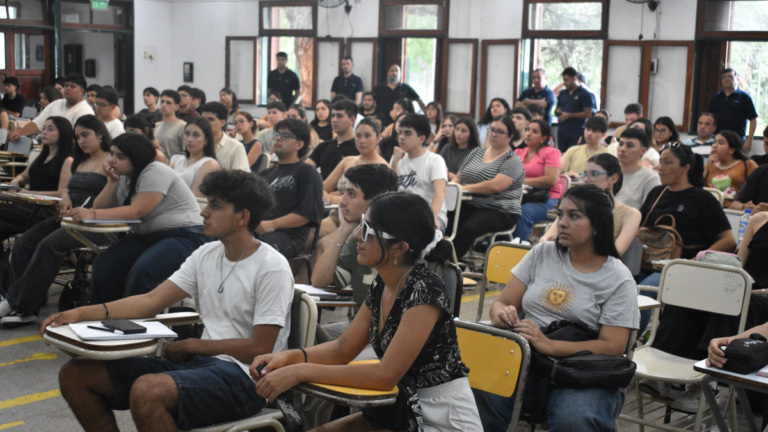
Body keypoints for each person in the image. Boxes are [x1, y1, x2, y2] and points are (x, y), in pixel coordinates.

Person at [41, 170, 294, 430]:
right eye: (207, 203)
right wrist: (81, 314)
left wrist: (194, 345)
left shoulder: (271, 266)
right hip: (202, 365)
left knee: (148, 390)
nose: (203, 212)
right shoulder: (206, 254)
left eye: (215, 206)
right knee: (76, 375)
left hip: (248, 378)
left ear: (243, 216)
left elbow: (259, 347)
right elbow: (151, 300)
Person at [252, 192, 483, 431]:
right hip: (400, 408)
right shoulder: (383, 284)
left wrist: (299, 371)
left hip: (442, 415)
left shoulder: (425, 289)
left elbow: (385, 376)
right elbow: (343, 349)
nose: (356, 235)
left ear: (400, 248)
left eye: (368, 230)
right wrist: (288, 357)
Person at [477, 184, 639, 432]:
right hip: (528, 358)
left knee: (572, 419)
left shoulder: (618, 279)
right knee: (479, 390)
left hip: (583, 370)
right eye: (561, 214)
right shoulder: (542, 253)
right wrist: (501, 313)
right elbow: (502, 302)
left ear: (598, 224)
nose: (562, 223)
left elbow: (612, 346)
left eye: (574, 216)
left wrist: (550, 345)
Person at [68, 133, 210, 303]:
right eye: (112, 154)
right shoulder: (123, 176)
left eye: (120, 156)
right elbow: (99, 208)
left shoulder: (155, 170)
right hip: (148, 236)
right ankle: (104, 319)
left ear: (137, 157)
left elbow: (137, 211)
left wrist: (91, 214)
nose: (112, 160)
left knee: (143, 271)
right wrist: (111, 182)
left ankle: (136, 325)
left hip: (185, 236)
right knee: (104, 264)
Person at [0, 115, 111, 326]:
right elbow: (67, 188)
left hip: (92, 221)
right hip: (67, 217)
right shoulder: (82, 159)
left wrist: (80, 209)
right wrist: (66, 198)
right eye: (78, 137)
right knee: (24, 244)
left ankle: (16, 303)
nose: (81, 141)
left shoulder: (110, 161)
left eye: (85, 135)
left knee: (48, 245)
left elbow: (108, 199)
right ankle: (26, 307)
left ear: (99, 134)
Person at [311, 164, 399, 307]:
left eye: (351, 194)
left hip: (394, 326)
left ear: (376, 199)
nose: (342, 201)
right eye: (344, 193)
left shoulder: (403, 238)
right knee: (305, 328)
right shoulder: (357, 237)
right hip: (360, 325)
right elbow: (319, 280)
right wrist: (343, 230)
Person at [450, 116, 524, 260]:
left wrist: (464, 188)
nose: (493, 134)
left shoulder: (512, 160)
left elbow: (495, 186)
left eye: (500, 132)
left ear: (510, 136)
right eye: (492, 130)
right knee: (445, 220)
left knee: (468, 228)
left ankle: (448, 264)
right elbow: (459, 177)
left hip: (500, 210)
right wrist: (453, 187)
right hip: (470, 203)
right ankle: (432, 259)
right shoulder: (477, 152)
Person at [544, 153, 641, 256]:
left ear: (613, 178)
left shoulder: (630, 214)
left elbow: (617, 252)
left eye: (594, 174)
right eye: (585, 174)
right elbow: (544, 240)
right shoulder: (571, 207)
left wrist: (569, 244)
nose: (586, 179)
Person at [0, 117, 75, 246]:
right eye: (44, 128)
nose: (44, 132)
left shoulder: (67, 160)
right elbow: (23, 176)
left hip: (45, 210)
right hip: (28, 205)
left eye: (50, 129)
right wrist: (16, 182)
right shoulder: (42, 157)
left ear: (63, 133)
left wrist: (27, 193)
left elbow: (60, 194)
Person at [257, 118, 323, 259]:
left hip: (289, 236)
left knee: (256, 249)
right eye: (277, 134)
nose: (278, 138)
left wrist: (272, 225)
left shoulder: (307, 172)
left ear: (299, 144)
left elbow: (307, 213)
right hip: (260, 230)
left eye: (285, 135)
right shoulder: (265, 174)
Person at [392, 114, 448, 231]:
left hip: (431, 216)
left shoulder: (435, 160)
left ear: (422, 138)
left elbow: (439, 191)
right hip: (402, 215)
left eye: (407, 133)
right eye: (400, 132)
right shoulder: (396, 158)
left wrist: (432, 218)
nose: (401, 137)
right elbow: (389, 189)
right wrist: (394, 163)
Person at [514, 120, 563, 241]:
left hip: (549, 199)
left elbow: (551, 180)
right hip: (523, 197)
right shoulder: (518, 152)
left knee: (523, 212)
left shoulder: (552, 152)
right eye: (528, 130)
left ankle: (517, 251)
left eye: (534, 131)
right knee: (502, 208)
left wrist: (522, 181)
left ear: (543, 137)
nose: (529, 134)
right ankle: (495, 250)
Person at [10, 73, 94, 142]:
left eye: (72, 86)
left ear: (82, 91)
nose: (68, 88)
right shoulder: (56, 103)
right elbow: (37, 123)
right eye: (66, 85)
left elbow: (78, 138)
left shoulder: (85, 111)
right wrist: (19, 133)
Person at [708, 68, 758, 152]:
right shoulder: (716, 97)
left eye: (730, 76)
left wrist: (749, 140)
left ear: (737, 79)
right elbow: (709, 118)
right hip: (718, 140)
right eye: (724, 77)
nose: (727, 79)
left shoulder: (744, 97)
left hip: (737, 141)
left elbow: (753, 119)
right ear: (722, 81)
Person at [308, 99, 359, 180]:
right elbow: (304, 169)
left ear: (352, 120)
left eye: (339, 116)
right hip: (323, 190)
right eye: (332, 116)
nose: (334, 120)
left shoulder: (359, 148)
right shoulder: (323, 147)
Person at [171, 117, 220, 197]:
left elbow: (197, 198)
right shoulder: (178, 161)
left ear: (206, 140)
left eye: (196, 135)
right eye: (187, 134)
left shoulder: (209, 164)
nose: (189, 139)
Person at [614, 127, 661, 210]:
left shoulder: (650, 178)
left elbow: (649, 212)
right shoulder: (611, 173)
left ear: (643, 151)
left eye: (630, 145)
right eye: (621, 144)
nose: (622, 149)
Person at [704, 130, 757, 201]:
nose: (714, 146)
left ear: (732, 150)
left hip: (737, 209)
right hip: (712, 207)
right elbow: (697, 189)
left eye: (721, 143)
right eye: (714, 142)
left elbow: (758, 187)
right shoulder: (709, 165)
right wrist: (706, 166)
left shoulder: (747, 164)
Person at [200, 102, 250, 172]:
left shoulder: (235, 147)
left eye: (210, 119)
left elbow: (241, 179)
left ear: (222, 122)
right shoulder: (197, 144)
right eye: (203, 120)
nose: (205, 123)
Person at [555, 67, 594, 152]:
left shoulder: (585, 94)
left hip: (576, 130)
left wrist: (569, 115)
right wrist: (558, 112)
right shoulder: (562, 93)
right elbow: (557, 109)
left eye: (566, 80)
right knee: (562, 155)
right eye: (563, 80)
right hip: (562, 129)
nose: (564, 83)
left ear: (574, 78)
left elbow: (588, 114)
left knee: (573, 154)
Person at [440, 117, 480, 182]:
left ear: (471, 134)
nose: (458, 133)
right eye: (457, 129)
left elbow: (467, 178)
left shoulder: (475, 152)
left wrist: (450, 175)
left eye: (463, 131)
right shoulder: (448, 148)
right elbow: (437, 167)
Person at [154, 89, 186, 159]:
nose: (163, 105)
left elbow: (185, 152)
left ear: (177, 107)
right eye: (162, 102)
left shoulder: (182, 126)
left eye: (168, 103)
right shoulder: (157, 125)